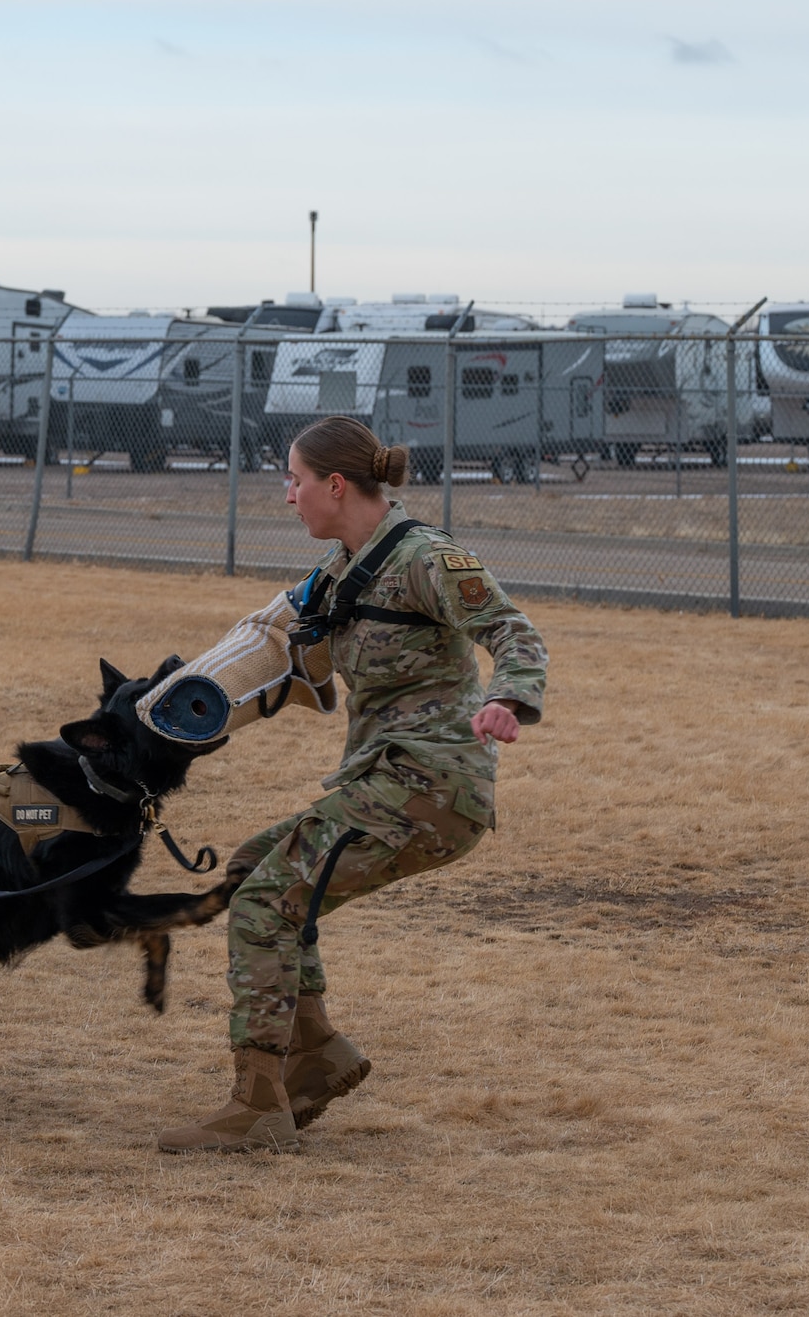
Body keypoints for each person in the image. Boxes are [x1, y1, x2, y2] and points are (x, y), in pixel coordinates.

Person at [156, 416, 547, 1153]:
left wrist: (511, 697)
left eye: (295, 481)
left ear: (335, 485)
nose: (287, 496)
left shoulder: (426, 559)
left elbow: (512, 629)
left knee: (269, 901)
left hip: (428, 787)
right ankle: (316, 1055)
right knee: (250, 871)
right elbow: (267, 647)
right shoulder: (344, 567)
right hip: (383, 782)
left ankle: (258, 1103)